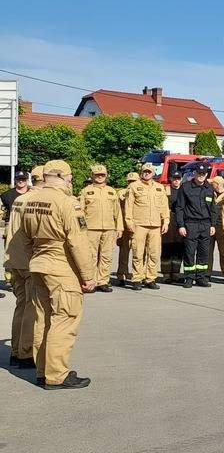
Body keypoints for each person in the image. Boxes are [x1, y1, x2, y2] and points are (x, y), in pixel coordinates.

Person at [24, 160, 97, 389]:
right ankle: (57, 376)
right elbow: (77, 242)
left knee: (43, 319)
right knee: (64, 319)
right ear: (64, 176)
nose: (71, 181)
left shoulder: (31, 199)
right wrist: (88, 276)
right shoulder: (67, 202)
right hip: (61, 266)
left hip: (38, 263)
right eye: (70, 177)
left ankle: (43, 370)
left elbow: (24, 236)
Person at [6, 170, 36, 368]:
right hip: (30, 261)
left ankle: (17, 352)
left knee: (21, 306)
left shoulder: (18, 201)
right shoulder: (34, 201)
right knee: (31, 308)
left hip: (15, 259)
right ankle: (25, 354)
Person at [124, 162, 170, 290]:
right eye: (145, 171)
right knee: (138, 253)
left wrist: (165, 221)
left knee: (154, 254)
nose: (147, 173)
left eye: (149, 172)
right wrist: (129, 222)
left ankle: (150, 278)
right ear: (141, 172)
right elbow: (129, 206)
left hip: (155, 225)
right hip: (139, 225)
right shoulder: (133, 186)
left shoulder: (160, 187)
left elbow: (164, 207)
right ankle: (137, 279)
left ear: (153, 173)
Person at [174, 167, 219, 288]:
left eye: (203, 173)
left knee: (204, 253)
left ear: (206, 175)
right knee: (189, 252)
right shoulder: (186, 187)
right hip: (190, 224)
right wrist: (181, 225)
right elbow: (179, 208)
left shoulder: (209, 188)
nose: (201, 175)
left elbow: (213, 208)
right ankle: (189, 277)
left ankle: (201, 277)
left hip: (205, 224)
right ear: (195, 173)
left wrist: (213, 224)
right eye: (199, 173)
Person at [79, 164, 121, 293]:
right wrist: (82, 229)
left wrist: (119, 227)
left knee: (106, 256)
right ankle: (91, 281)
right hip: (91, 229)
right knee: (90, 257)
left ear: (106, 176)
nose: (100, 177)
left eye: (102, 175)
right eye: (97, 175)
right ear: (92, 176)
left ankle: (103, 281)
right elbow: (80, 212)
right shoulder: (86, 191)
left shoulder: (111, 191)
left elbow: (117, 212)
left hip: (109, 228)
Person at [161, 172, 185, 283]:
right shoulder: (166, 190)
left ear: (181, 179)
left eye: (178, 179)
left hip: (180, 221)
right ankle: (166, 274)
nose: (176, 181)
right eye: (174, 178)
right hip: (168, 220)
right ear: (171, 179)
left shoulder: (184, 190)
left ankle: (175, 273)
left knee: (178, 248)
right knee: (167, 248)